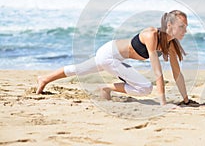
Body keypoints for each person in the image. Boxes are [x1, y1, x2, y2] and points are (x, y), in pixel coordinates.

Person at [36, 10, 191, 106]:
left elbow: (177, 73)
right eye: (182, 26)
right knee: (145, 88)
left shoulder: (170, 44)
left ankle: (44, 79)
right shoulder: (151, 35)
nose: (185, 30)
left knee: (79, 69)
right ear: (169, 25)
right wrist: (163, 103)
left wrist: (186, 100)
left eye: (186, 27)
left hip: (110, 54)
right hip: (110, 56)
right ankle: (106, 87)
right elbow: (158, 72)